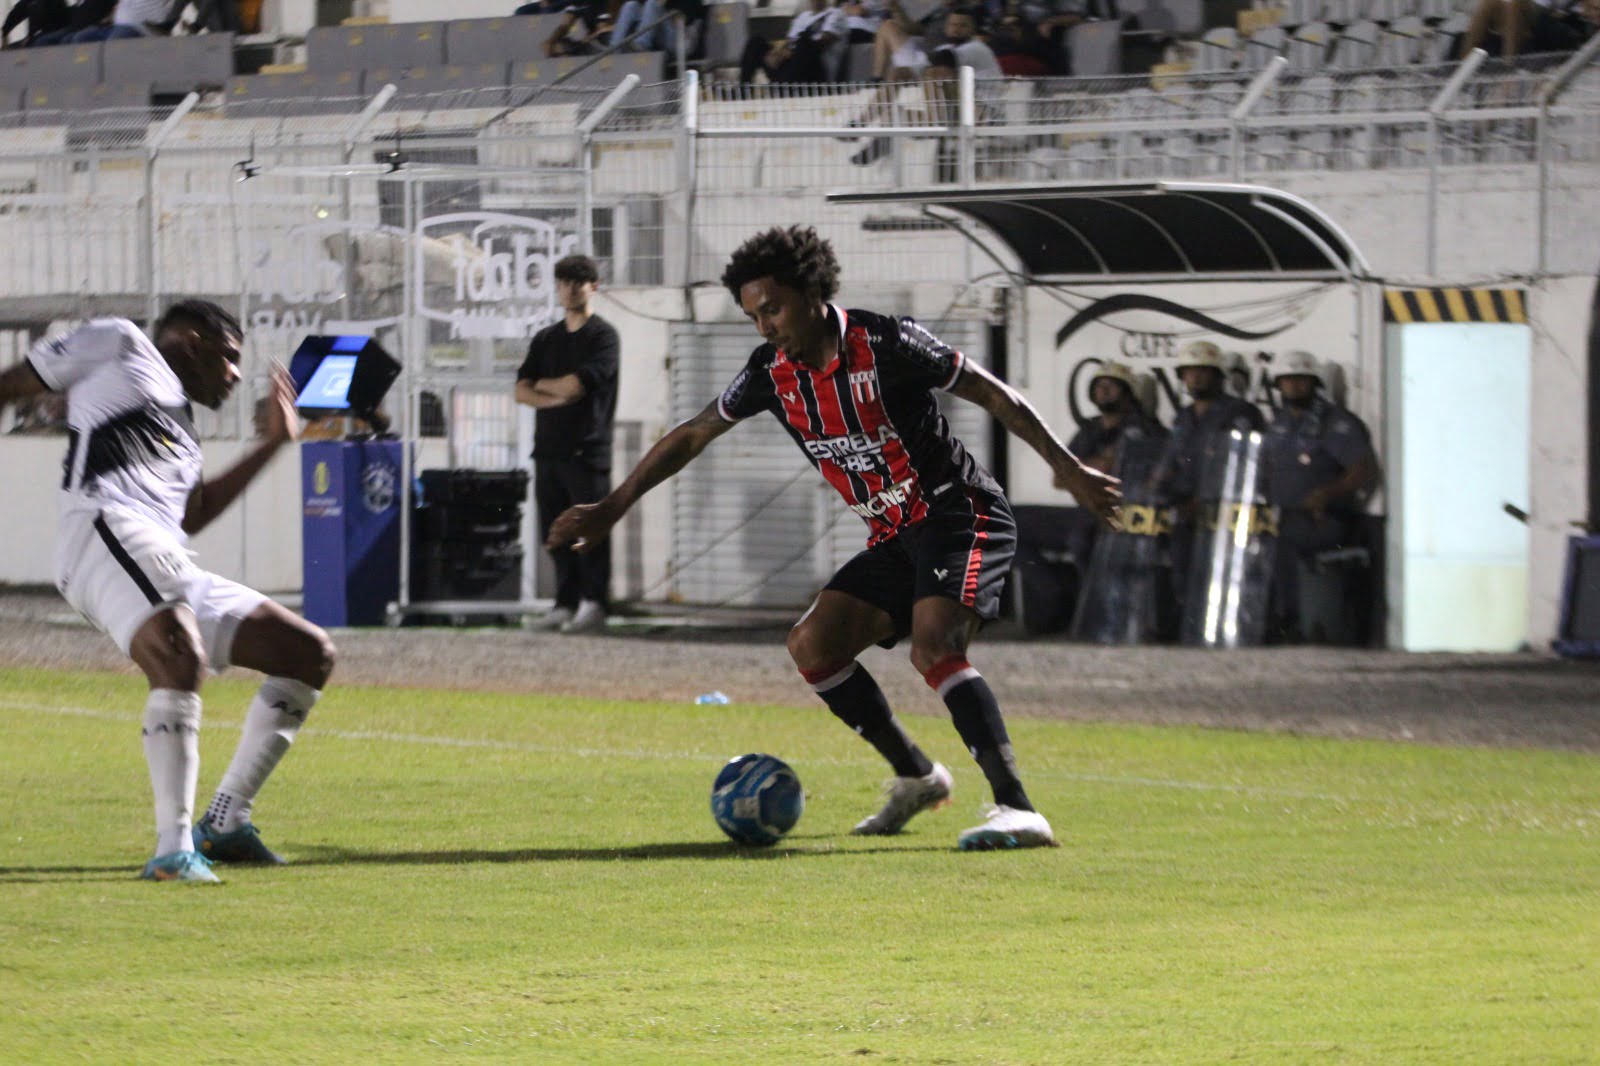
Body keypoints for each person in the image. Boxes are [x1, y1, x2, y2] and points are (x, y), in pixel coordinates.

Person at [549, 226, 1121, 850]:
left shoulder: (889, 341)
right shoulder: (770, 371)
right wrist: (612, 505)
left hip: (960, 514)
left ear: (814, 291)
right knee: (813, 644)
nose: (764, 326)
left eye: (773, 308)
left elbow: (990, 391)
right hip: (897, 533)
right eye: (752, 315)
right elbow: (691, 434)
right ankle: (917, 776)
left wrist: (1065, 467)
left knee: (934, 649)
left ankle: (1018, 808)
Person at [0, 302, 336, 883]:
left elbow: (194, 513)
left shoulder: (181, 430)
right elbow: (13, 383)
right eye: (229, 357)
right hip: (102, 528)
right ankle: (173, 851)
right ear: (190, 341)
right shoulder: (121, 343)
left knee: (306, 653)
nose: (234, 374)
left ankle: (226, 822)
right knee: (180, 652)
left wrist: (274, 443)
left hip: (163, 555)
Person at [515, 254, 620, 634]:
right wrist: (556, 393)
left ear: (593, 286)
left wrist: (547, 386)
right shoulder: (546, 339)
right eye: (564, 281)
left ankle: (594, 604)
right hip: (548, 451)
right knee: (554, 531)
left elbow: (580, 385)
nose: (570, 288)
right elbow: (521, 390)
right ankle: (564, 602)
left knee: (589, 530)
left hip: (587, 452)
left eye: (579, 281)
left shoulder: (603, 337)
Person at [1261, 350, 1380, 642]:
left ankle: (1299, 625)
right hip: (1280, 517)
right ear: (1278, 385)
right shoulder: (1278, 423)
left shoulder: (1335, 421)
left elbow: (1361, 470)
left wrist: (1327, 493)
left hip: (1324, 520)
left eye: (1302, 380)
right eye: (1288, 380)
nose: (1294, 386)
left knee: (1288, 553)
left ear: (1315, 383)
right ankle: (1277, 625)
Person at [1152, 339, 1265, 616]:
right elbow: (1168, 464)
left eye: (1204, 371)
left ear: (1219, 376)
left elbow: (1240, 465)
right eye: (1190, 371)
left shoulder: (1239, 413)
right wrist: (1153, 487)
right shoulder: (1183, 417)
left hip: (1223, 512)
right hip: (1184, 510)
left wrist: (1204, 501)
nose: (1196, 377)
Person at [739, 0, 844, 85]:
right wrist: (776, 54)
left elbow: (823, 42)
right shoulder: (803, 16)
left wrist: (791, 52)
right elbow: (789, 42)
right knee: (756, 42)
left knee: (804, 40)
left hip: (815, 73)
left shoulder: (835, 14)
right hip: (790, 69)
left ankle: (783, 84)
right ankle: (743, 90)